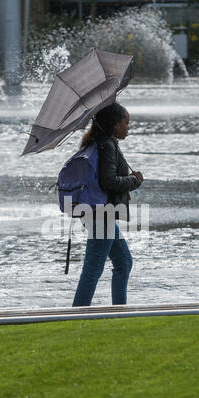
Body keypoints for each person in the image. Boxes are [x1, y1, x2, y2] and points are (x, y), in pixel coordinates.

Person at [72, 102, 143, 307]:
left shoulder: (101, 142)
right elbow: (108, 181)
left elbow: (106, 178)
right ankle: (77, 314)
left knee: (123, 262)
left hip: (100, 213)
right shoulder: (107, 145)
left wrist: (130, 178)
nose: (128, 127)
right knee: (93, 269)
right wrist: (134, 181)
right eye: (125, 122)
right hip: (100, 214)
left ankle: (120, 311)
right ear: (114, 124)